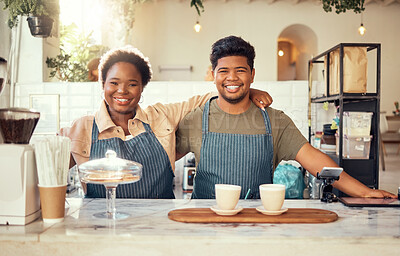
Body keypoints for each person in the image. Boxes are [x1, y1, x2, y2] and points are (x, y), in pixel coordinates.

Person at [176, 35, 396, 199]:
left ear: (252, 75)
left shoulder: (275, 121)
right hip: (204, 220)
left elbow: (315, 160)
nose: (231, 77)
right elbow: (165, 157)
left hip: (258, 223)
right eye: (223, 71)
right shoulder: (196, 118)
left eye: (240, 70)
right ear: (213, 75)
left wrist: (364, 191)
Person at [59, 45, 272, 199]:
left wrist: (246, 90)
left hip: (159, 229)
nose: (122, 91)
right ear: (103, 84)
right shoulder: (82, 128)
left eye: (132, 84)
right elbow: (51, 174)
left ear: (142, 88)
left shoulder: (161, 116)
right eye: (114, 83)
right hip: (101, 230)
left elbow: (206, 99)